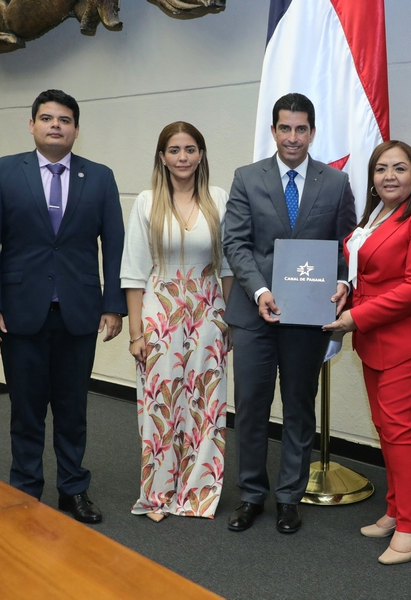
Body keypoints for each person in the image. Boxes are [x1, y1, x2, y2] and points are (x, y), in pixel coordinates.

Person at [0, 89, 126, 523]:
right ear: (32, 125)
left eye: (64, 119)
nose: (55, 125)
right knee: (26, 409)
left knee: (73, 410)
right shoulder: (3, 172)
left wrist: (113, 305)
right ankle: (24, 490)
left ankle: (73, 489)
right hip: (19, 312)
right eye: (46, 118)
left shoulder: (100, 177)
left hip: (79, 312)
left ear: (76, 129)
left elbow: (115, 246)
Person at [223, 93, 356, 533]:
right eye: (285, 128)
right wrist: (259, 290)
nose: (293, 137)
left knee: (299, 407)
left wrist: (344, 282)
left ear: (312, 132)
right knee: (251, 406)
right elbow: (236, 243)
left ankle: (288, 498)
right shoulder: (247, 178)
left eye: (301, 129)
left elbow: (346, 246)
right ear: (273, 130)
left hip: (307, 317)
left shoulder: (335, 182)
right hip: (254, 313)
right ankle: (251, 495)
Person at [324, 141, 411, 564]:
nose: (389, 176)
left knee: (401, 428)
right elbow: (366, 270)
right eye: (381, 169)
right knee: (386, 426)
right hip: (376, 337)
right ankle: (398, 511)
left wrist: (355, 317)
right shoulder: (377, 214)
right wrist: (346, 290)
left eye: (400, 168)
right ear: (372, 178)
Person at [120, 121, 233, 521]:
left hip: (209, 311)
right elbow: (133, 272)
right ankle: (158, 493)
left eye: (190, 149)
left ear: (201, 155)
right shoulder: (146, 201)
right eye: (174, 150)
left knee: (206, 404)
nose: (182, 157)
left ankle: (197, 492)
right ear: (162, 157)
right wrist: (136, 333)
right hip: (160, 311)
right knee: (161, 404)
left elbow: (229, 267)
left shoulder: (218, 198)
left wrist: (230, 322)